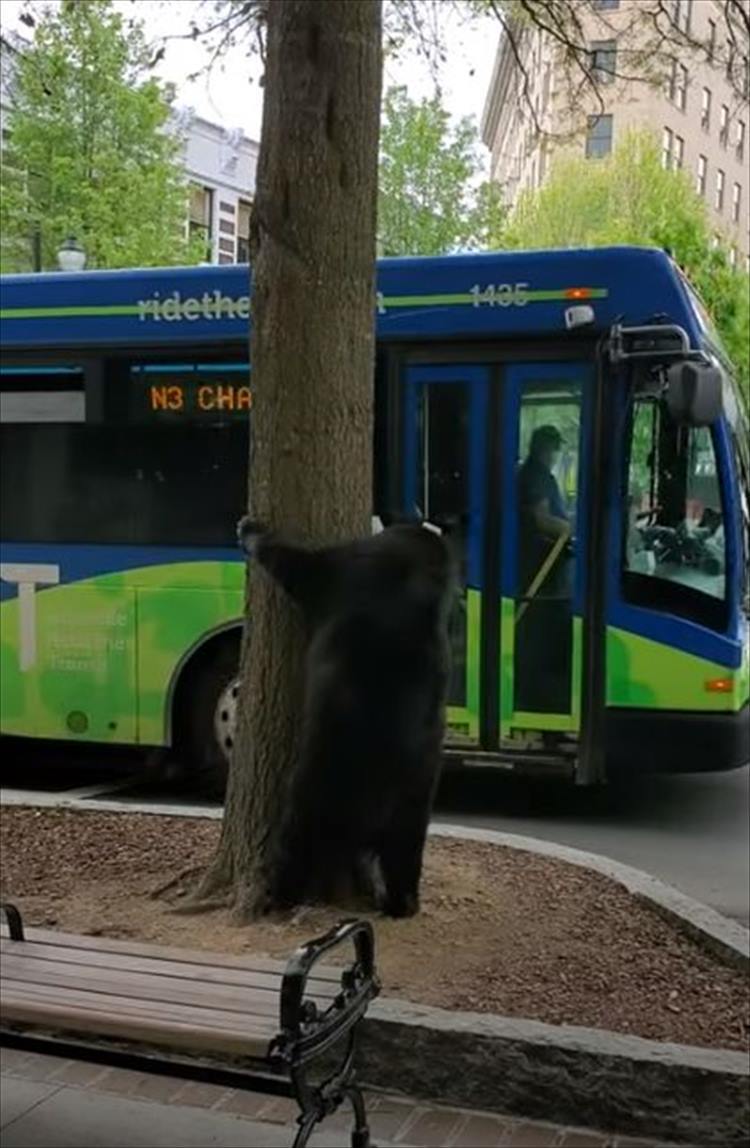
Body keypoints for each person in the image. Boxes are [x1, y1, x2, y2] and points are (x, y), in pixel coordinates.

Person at [515, 425, 572, 714]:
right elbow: (541, 519)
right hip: (539, 567)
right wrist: (571, 529)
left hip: (547, 563)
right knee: (542, 624)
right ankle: (537, 691)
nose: (555, 454)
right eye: (553, 448)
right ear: (542, 448)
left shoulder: (540, 475)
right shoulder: (534, 476)